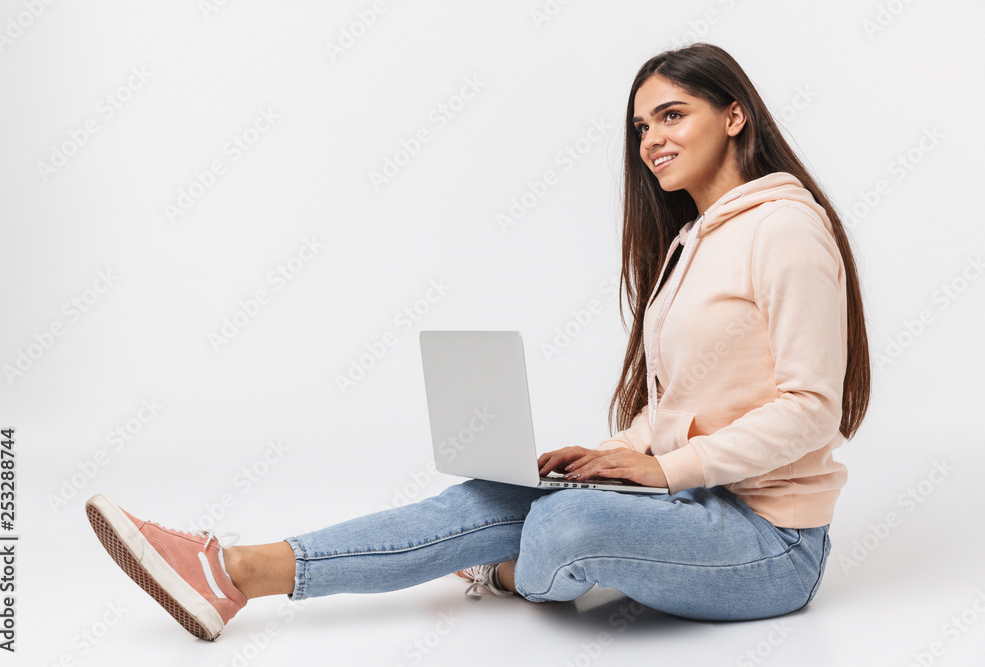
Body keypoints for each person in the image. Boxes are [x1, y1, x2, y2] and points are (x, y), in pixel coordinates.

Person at [85, 41, 871, 642]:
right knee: (492, 497)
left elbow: (811, 408)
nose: (651, 141)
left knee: (563, 527)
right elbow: (689, 403)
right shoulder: (692, 241)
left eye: (672, 115)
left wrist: (661, 470)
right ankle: (231, 571)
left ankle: (505, 569)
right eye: (641, 126)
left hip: (769, 543)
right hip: (684, 501)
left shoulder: (787, 230)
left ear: (735, 115)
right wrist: (610, 457)